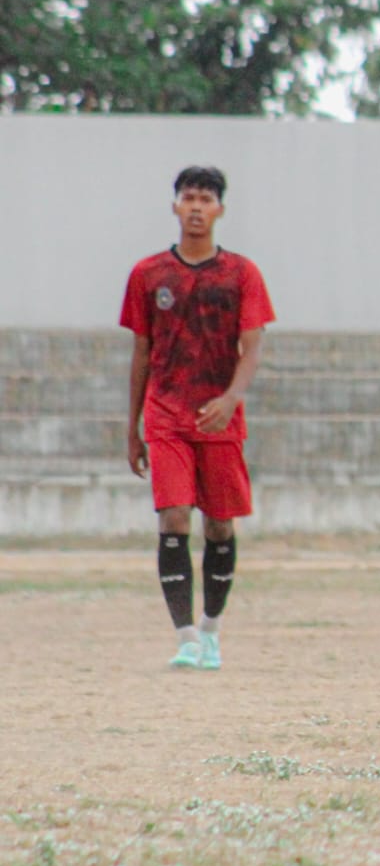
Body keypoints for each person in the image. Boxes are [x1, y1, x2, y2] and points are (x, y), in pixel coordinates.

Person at [121, 166, 275, 671]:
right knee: (174, 516)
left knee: (220, 527)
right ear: (174, 206)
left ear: (219, 210)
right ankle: (185, 636)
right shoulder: (148, 275)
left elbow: (251, 348)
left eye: (205, 199)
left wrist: (232, 397)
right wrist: (133, 428)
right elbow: (142, 352)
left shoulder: (241, 274)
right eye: (188, 198)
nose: (195, 207)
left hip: (217, 418)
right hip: (165, 413)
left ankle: (211, 629)